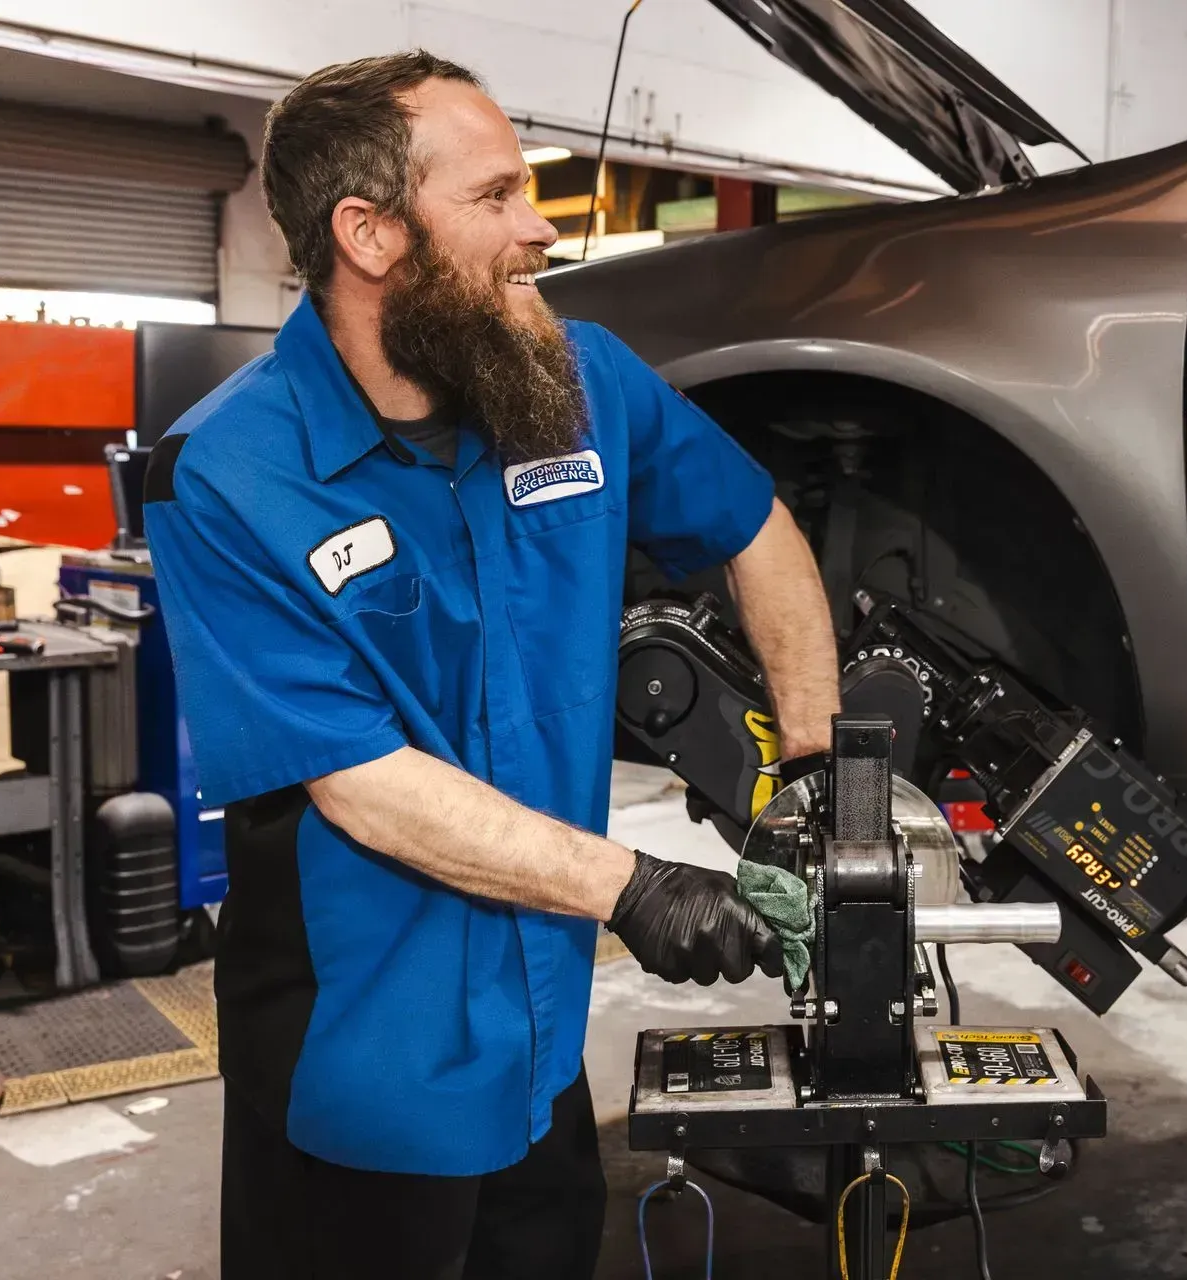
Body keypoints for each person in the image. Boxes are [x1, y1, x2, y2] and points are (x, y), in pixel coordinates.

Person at [141, 50, 841, 1279]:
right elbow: (360, 777)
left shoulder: (579, 382)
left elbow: (755, 529)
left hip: (535, 1040)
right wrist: (640, 885)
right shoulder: (228, 475)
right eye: (499, 195)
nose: (540, 230)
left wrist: (815, 766)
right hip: (361, 1066)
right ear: (369, 233)